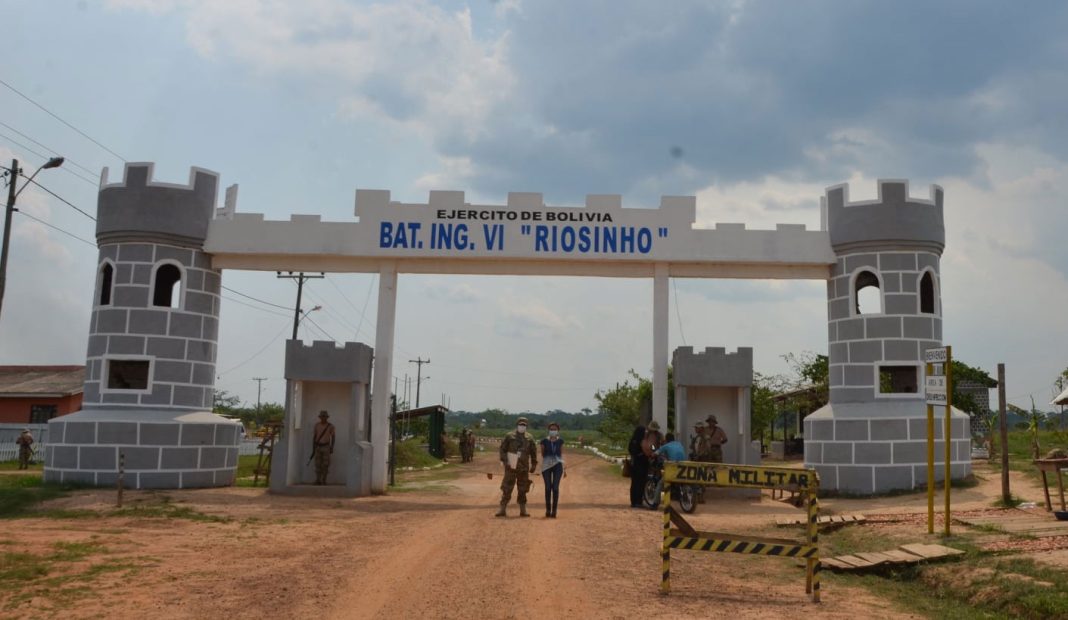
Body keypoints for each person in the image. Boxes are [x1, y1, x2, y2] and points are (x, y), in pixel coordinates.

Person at [496, 416, 538, 517]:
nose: (522, 426)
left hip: (523, 468)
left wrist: (534, 464)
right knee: (507, 488)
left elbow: (533, 452)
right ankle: (502, 509)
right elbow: (503, 450)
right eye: (520, 424)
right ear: (517, 424)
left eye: (524, 424)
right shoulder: (509, 436)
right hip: (511, 467)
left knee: (523, 489)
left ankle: (523, 510)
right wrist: (505, 461)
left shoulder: (530, 438)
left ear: (526, 426)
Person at [540, 422, 565, 518]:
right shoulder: (544, 441)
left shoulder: (561, 441)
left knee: (555, 488)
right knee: (547, 488)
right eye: (551, 429)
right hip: (546, 466)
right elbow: (542, 454)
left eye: (555, 429)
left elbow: (561, 453)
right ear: (548, 430)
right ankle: (547, 510)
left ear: (558, 430)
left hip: (558, 466)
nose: (553, 431)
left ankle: (554, 511)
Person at [311, 411, 335, 485]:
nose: (323, 418)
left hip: (326, 446)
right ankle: (318, 480)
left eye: (324, 416)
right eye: (322, 416)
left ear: (327, 417)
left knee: (325, 464)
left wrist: (332, 447)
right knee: (317, 464)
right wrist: (313, 448)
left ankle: (324, 480)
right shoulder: (317, 425)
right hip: (318, 446)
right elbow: (314, 437)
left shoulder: (331, 426)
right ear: (320, 417)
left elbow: (333, 437)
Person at [627, 425, 648, 508]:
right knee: (641, 483)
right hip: (642, 464)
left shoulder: (633, 440)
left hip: (634, 464)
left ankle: (633, 502)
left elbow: (630, 450)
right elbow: (646, 451)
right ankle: (638, 501)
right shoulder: (642, 441)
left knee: (634, 483)